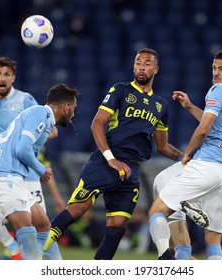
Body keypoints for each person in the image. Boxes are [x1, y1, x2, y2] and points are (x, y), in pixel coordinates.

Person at [43, 48, 184, 259]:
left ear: (156, 69)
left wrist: (186, 158)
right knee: (79, 208)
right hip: (107, 160)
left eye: (147, 63)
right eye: (138, 63)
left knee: (117, 227)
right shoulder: (121, 90)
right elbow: (97, 124)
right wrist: (112, 160)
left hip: (132, 169)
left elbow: (162, 147)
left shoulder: (161, 106)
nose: (141, 67)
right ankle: (34, 252)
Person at [148, 49, 222, 260]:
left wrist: (188, 154)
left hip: (207, 164)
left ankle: (167, 259)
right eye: (214, 67)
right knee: (213, 242)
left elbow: (204, 130)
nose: (216, 73)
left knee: (156, 209)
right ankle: (191, 211)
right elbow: (218, 126)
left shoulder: (218, 91)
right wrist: (190, 106)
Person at [0, 56, 64, 260]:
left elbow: (51, 129)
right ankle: (14, 249)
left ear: (13, 78)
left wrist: (24, 144)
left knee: (41, 226)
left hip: (24, 171)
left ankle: (54, 265)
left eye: (7, 74)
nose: (2, 78)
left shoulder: (25, 99)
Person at [0, 83, 78, 259]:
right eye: (73, 109)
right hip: (3, 177)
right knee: (25, 225)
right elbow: (22, 149)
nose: (73, 114)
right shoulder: (41, 113)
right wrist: (42, 169)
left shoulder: (32, 114)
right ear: (66, 107)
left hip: (11, 177)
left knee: (42, 224)